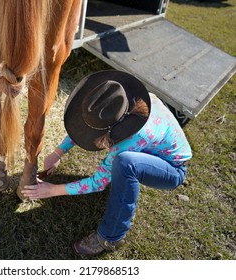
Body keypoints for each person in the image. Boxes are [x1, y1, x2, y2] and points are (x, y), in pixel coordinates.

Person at [21, 70, 192, 257]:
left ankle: (111, 236)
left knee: (126, 164)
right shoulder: (128, 100)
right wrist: (58, 152)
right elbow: (88, 125)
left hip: (173, 169)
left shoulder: (131, 141)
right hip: (154, 148)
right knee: (124, 162)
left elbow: (97, 183)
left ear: (112, 132)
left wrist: (52, 190)